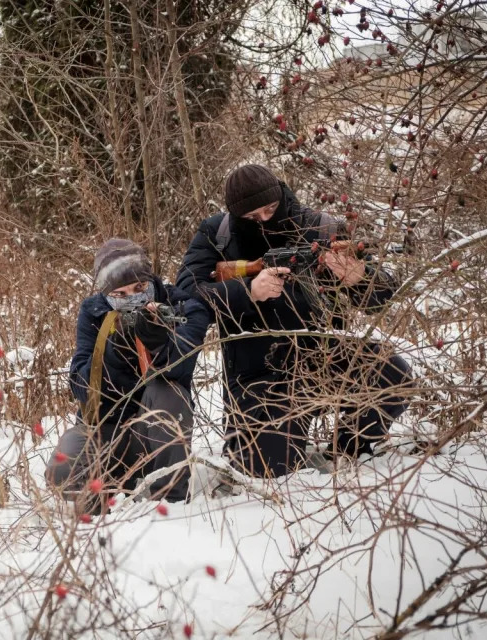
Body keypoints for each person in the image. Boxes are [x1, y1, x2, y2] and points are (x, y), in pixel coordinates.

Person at [175, 164, 413, 478]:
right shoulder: (216, 235)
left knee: (393, 373)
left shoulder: (321, 228)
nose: (263, 219)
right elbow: (185, 296)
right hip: (258, 373)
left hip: (324, 356)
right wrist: (248, 291)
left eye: (271, 209)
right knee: (265, 469)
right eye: (251, 216)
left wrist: (361, 278)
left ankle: (350, 451)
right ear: (235, 215)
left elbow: (381, 297)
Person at [46, 238, 210, 510]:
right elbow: (81, 386)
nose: (132, 298)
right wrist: (116, 348)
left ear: (150, 279)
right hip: (106, 430)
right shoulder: (95, 312)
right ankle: (96, 522)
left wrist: (158, 341)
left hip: (157, 438)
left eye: (139, 288)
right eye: (119, 294)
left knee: (167, 393)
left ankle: (172, 503)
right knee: (62, 470)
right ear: (106, 294)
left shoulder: (180, 305)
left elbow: (182, 367)